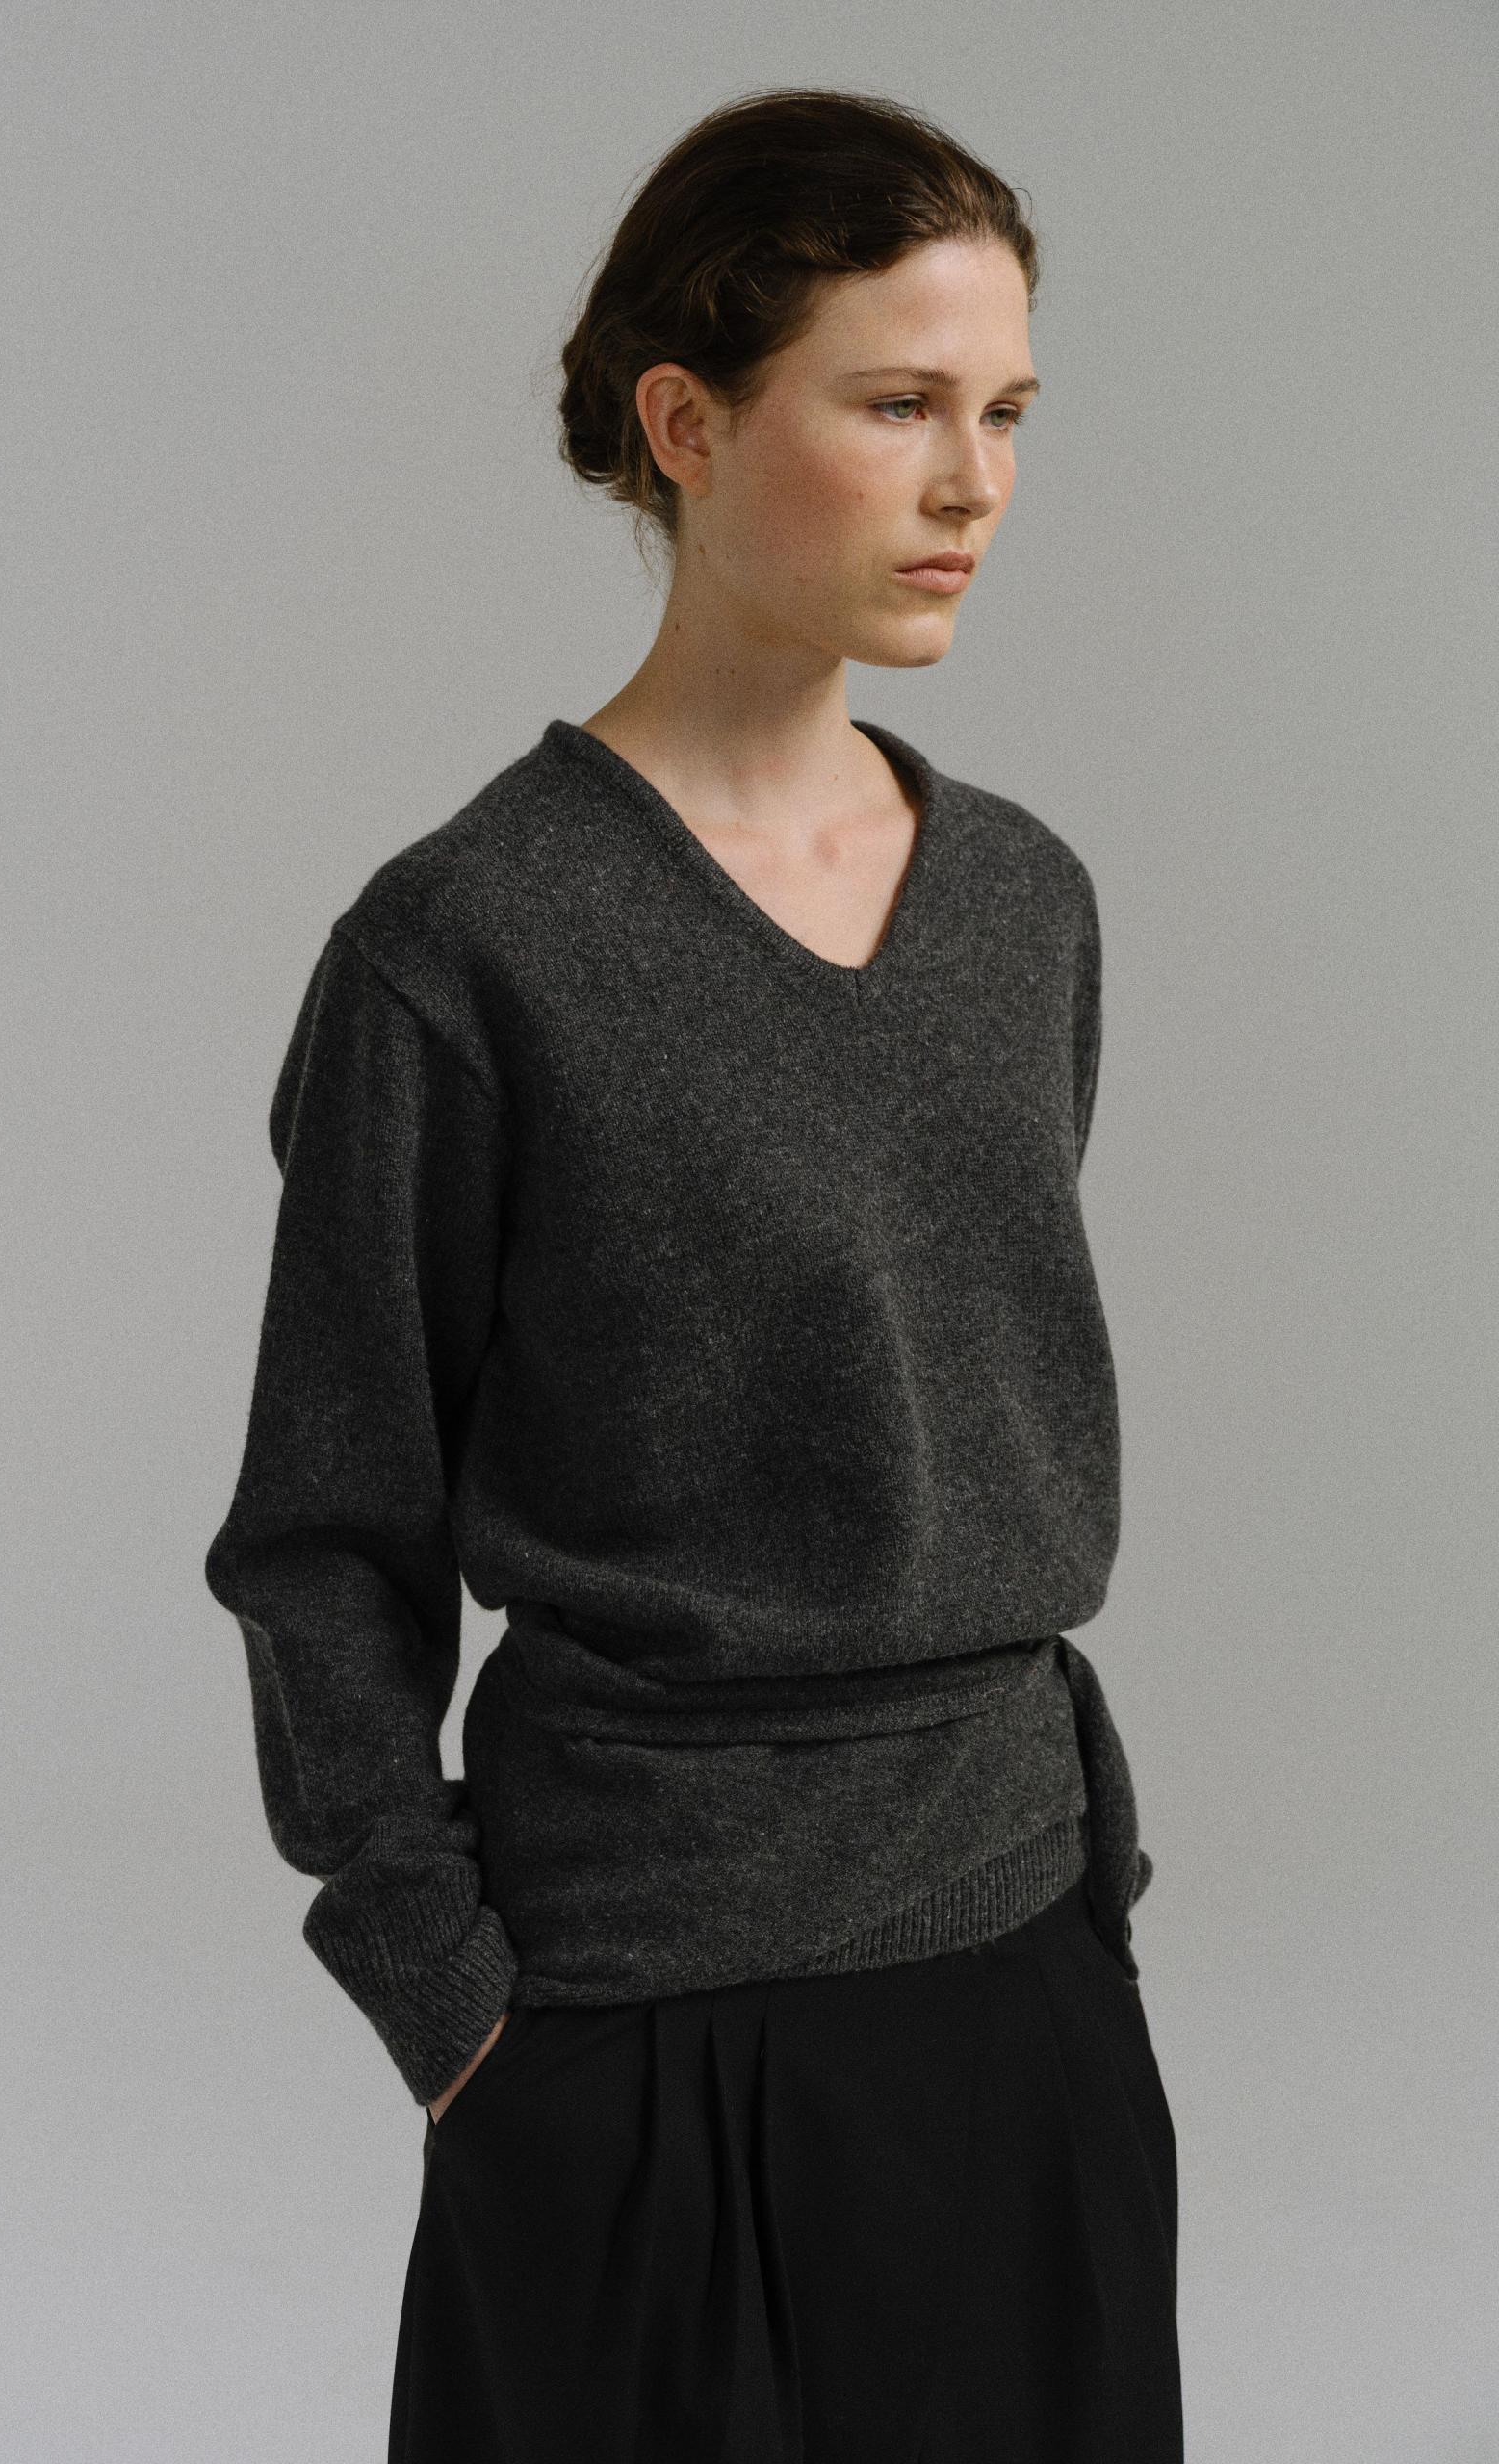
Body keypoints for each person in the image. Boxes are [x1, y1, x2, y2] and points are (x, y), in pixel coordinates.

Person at [204, 82, 1182, 2464]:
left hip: (1025, 1976)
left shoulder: (1024, 900)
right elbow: (326, 1534)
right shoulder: (464, 947)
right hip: (628, 2022)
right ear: (688, 422)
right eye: (899, 404)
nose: (975, 485)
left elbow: (957, 1395)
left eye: (1008, 413)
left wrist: (1092, 1904)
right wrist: (453, 2004)